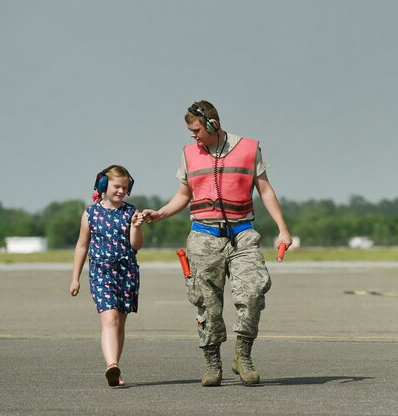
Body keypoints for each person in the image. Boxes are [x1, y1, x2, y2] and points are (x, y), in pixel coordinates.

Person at [142, 100, 292, 387]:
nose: (192, 136)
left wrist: (283, 229)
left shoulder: (249, 149)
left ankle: (243, 356)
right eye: (190, 131)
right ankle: (212, 361)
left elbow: (266, 190)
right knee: (206, 302)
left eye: (196, 129)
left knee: (252, 292)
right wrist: (160, 213)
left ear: (213, 125)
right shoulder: (189, 154)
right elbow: (184, 194)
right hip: (203, 235)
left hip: (242, 234)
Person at [70, 165, 144, 387]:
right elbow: (82, 245)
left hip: (126, 271)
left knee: (120, 322)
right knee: (109, 318)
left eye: (125, 187)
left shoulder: (131, 212)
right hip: (101, 272)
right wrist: (75, 277)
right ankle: (111, 364)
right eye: (116, 186)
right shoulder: (90, 213)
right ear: (103, 186)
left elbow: (136, 245)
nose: (121, 191)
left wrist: (136, 227)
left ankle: (115, 369)